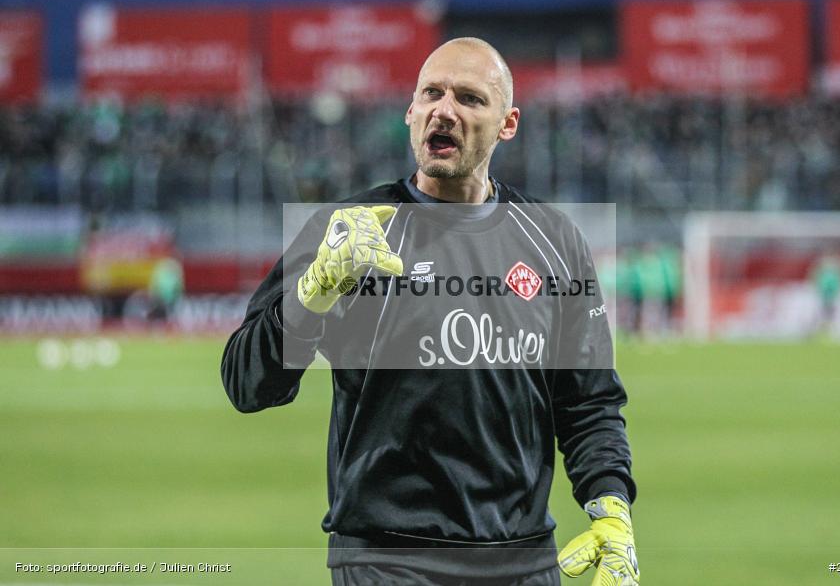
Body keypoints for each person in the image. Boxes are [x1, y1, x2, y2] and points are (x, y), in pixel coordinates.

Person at [221, 38, 638, 586]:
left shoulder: (555, 240)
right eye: (431, 94)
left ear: (508, 124)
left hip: (524, 559)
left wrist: (612, 507)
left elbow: (588, 401)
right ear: (411, 112)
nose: (445, 110)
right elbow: (247, 384)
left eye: (469, 98)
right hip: (387, 560)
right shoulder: (349, 231)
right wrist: (311, 296)